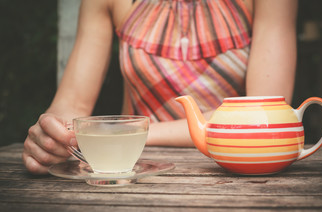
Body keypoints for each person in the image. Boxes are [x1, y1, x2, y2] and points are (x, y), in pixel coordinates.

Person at [22, 0, 298, 174]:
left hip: (230, 173)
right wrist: (51, 132)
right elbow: (72, 104)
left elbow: (266, 117)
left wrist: (128, 131)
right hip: (133, 173)